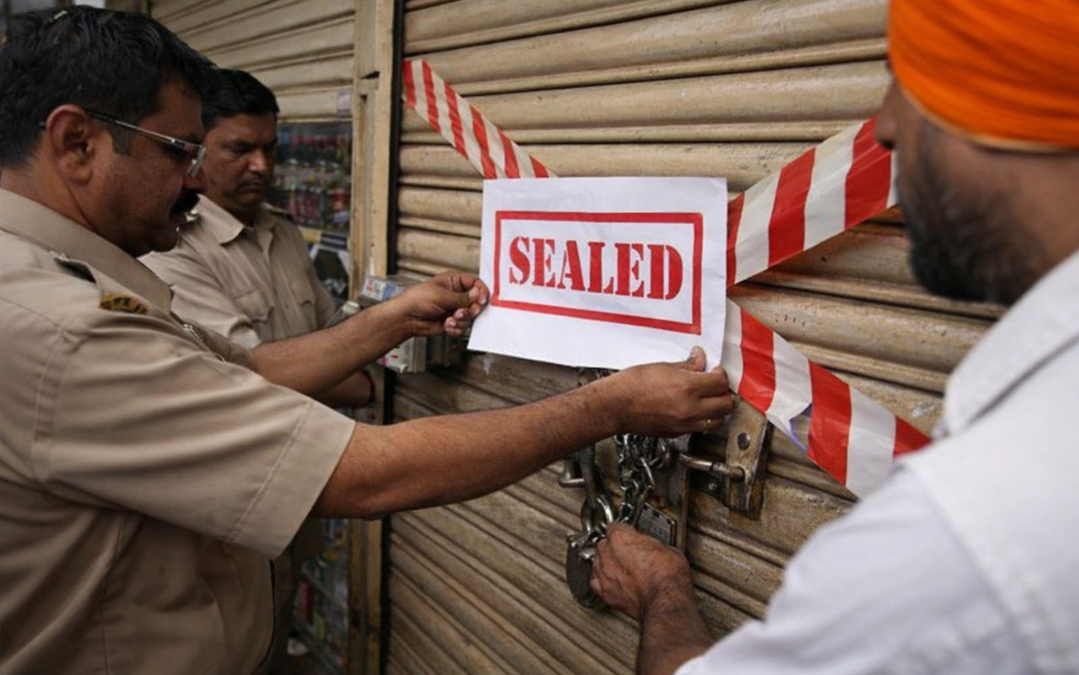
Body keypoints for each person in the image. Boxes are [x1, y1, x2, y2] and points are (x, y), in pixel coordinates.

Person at [0, 7, 733, 675]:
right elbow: (361, 474)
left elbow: (247, 369)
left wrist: (392, 317)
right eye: (178, 150)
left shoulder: (65, 281)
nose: (195, 178)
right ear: (76, 143)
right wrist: (609, 405)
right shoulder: (60, 326)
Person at [589, 1, 1079, 673]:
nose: (883, 127)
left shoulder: (972, 532)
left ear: (1003, 106)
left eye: (908, 82)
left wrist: (660, 589)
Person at [140, 68, 367, 674]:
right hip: (228, 511)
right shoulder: (174, 247)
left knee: (275, 627)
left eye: (270, 148)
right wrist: (365, 368)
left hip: (297, 493)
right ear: (196, 148)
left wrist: (357, 345)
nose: (262, 167)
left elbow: (335, 332)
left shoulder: (283, 232)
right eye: (240, 149)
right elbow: (255, 373)